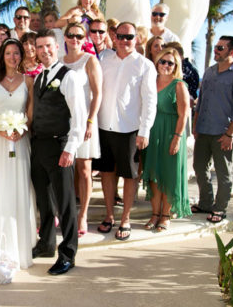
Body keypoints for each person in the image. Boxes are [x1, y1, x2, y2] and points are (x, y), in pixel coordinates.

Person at [0, 39, 36, 269]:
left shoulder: (28, 81)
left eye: (16, 53)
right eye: (8, 53)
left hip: (19, 141)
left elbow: (29, 115)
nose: (12, 57)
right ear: (1, 56)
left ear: (21, 56)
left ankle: (18, 245)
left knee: (16, 186)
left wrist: (21, 129)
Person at [31, 29, 87, 275]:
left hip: (59, 146)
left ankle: (68, 253)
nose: (44, 51)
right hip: (39, 145)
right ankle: (46, 243)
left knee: (64, 203)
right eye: (39, 47)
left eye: (48, 46)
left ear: (57, 47)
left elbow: (80, 117)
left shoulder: (69, 76)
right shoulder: (38, 77)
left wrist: (70, 149)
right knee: (43, 199)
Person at [95, 22, 157, 241]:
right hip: (103, 125)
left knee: (130, 176)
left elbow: (150, 100)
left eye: (128, 37)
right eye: (120, 36)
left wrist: (145, 130)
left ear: (136, 39)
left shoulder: (145, 65)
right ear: (115, 36)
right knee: (107, 172)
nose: (124, 41)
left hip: (130, 128)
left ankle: (126, 219)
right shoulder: (103, 59)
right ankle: (110, 215)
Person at [192, 36, 233, 223]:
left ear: (232, 52)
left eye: (220, 47)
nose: (216, 50)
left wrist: (229, 134)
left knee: (223, 172)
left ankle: (220, 208)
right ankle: (205, 203)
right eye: (216, 47)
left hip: (223, 132)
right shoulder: (209, 72)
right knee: (199, 167)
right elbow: (201, 102)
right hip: (204, 130)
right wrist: (195, 125)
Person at [142, 48, 191, 231]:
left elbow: (183, 115)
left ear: (176, 66)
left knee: (169, 174)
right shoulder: (151, 81)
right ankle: (155, 214)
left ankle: (165, 215)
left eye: (170, 63)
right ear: (157, 63)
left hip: (171, 132)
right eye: (163, 61)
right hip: (153, 132)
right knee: (154, 175)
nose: (166, 66)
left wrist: (177, 138)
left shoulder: (179, 85)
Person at [62, 24, 102, 237]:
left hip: (85, 121)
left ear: (84, 38)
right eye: (71, 35)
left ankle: (83, 214)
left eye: (79, 35)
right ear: (65, 37)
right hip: (64, 123)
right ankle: (64, 212)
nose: (75, 39)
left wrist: (90, 121)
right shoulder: (59, 61)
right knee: (65, 170)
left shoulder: (90, 60)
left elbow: (97, 94)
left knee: (84, 169)